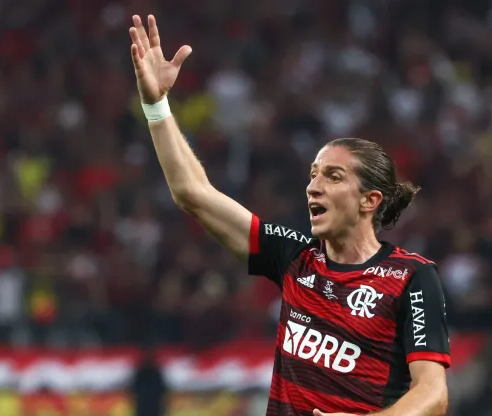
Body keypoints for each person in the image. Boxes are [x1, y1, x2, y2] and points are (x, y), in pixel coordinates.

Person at [128, 14, 450, 416]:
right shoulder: (296, 256)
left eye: (333, 177)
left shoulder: (412, 276)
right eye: (313, 176)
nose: (313, 187)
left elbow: (433, 395)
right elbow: (192, 193)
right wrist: (156, 105)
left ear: (370, 200)